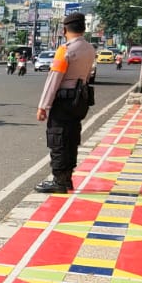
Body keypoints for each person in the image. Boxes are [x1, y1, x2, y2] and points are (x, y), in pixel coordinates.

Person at [34, 11, 96, 194]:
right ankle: (67, 178)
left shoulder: (66, 50)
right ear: (83, 28)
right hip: (80, 100)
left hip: (64, 100)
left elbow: (54, 79)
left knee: (58, 138)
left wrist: (43, 106)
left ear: (64, 30)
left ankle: (59, 181)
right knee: (71, 138)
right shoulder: (89, 49)